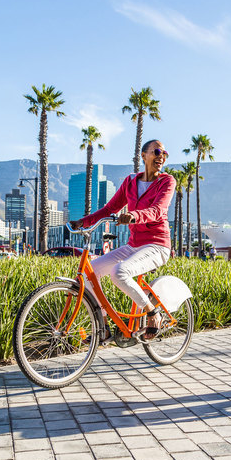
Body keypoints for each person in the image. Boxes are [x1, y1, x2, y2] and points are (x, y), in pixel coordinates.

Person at [70, 139, 175, 339]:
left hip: (157, 245)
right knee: (88, 274)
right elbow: (109, 209)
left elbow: (158, 211)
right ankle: (103, 326)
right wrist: (82, 222)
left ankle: (153, 313)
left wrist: (135, 216)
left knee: (119, 272)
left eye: (164, 153)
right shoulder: (130, 182)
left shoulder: (166, 181)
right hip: (134, 245)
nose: (161, 156)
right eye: (157, 151)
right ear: (143, 156)